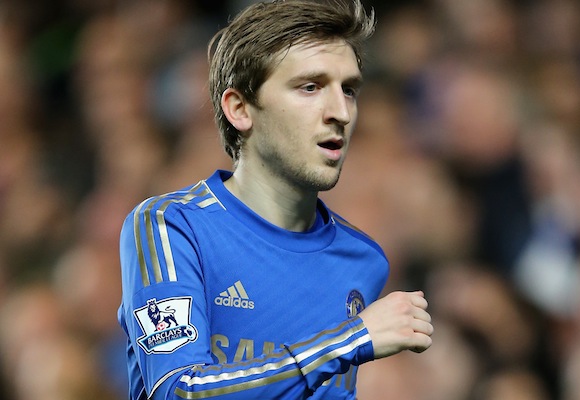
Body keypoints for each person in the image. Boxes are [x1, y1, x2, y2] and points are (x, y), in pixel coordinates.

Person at [117, 0, 433, 399]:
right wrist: (350, 341)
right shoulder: (172, 226)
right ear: (239, 109)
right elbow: (178, 392)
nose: (341, 112)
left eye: (349, 90)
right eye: (310, 87)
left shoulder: (364, 260)